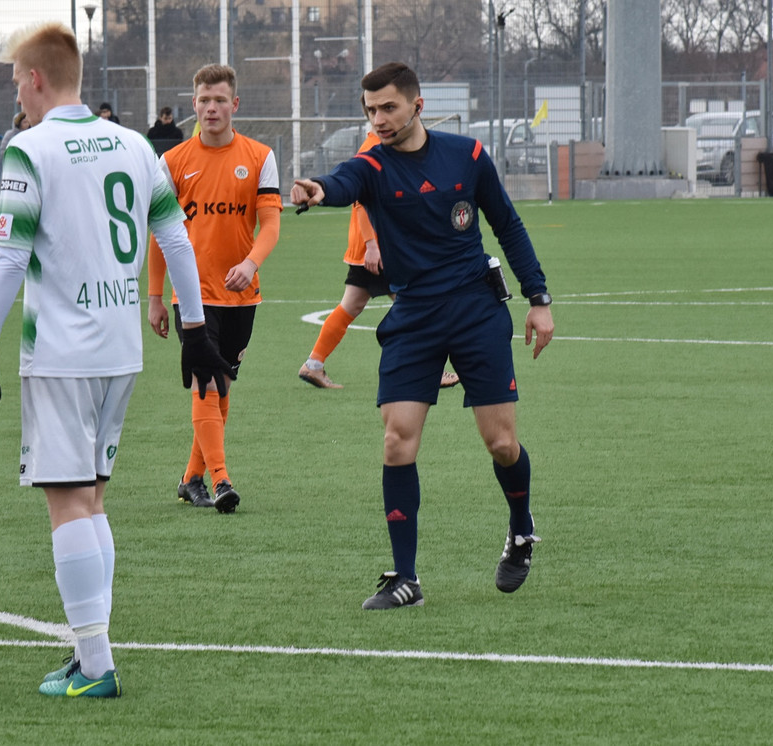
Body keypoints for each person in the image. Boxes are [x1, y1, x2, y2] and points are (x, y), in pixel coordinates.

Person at [0, 22, 231, 699]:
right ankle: (91, 654)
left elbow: (9, 253)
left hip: (59, 353)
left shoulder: (30, 148)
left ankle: (95, 666)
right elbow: (173, 236)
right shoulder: (136, 145)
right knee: (91, 499)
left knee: (67, 502)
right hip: (120, 351)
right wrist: (197, 329)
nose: (15, 96)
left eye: (14, 82)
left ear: (34, 79)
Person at [290, 62, 554, 610]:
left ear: (417, 105)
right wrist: (319, 190)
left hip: (476, 310)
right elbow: (343, 182)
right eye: (369, 111)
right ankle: (405, 579)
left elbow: (506, 224)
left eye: (388, 107)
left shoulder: (467, 155)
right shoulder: (372, 166)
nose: (379, 119)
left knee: (502, 444)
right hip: (413, 315)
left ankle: (522, 527)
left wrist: (539, 299)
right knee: (396, 439)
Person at [147, 63, 283, 513]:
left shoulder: (260, 157)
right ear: (193, 106)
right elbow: (160, 235)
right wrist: (154, 296)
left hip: (243, 295)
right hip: (193, 298)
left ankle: (191, 479)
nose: (211, 108)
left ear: (234, 104)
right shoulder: (172, 163)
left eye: (220, 100)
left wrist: (251, 262)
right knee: (205, 384)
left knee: (222, 387)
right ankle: (222, 481)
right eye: (204, 100)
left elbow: (270, 225)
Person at [297, 130, 459, 391]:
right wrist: (372, 246)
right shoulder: (373, 148)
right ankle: (431, 370)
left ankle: (314, 364)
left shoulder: (389, 146)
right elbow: (361, 202)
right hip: (378, 248)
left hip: (379, 246)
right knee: (418, 305)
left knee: (352, 305)